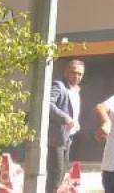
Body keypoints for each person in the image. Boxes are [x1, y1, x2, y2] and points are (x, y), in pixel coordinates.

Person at [46, 59, 84, 193]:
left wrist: (75, 122)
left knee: (62, 173)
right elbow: (48, 104)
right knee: (55, 175)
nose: (77, 76)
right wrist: (66, 118)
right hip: (56, 138)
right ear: (66, 72)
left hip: (67, 137)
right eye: (74, 73)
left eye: (80, 74)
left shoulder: (76, 90)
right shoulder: (59, 86)